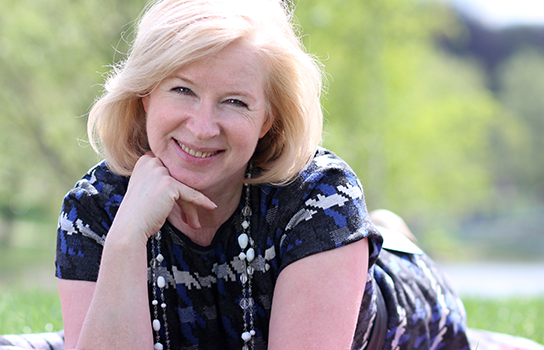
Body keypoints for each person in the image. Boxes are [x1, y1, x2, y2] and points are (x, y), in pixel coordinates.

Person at [55, 0, 470, 349]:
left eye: (234, 102)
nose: (202, 127)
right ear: (145, 96)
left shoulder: (319, 198)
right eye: (183, 90)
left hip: (404, 315)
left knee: (371, 247)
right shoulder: (95, 208)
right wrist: (126, 238)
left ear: (268, 119)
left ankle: (387, 236)